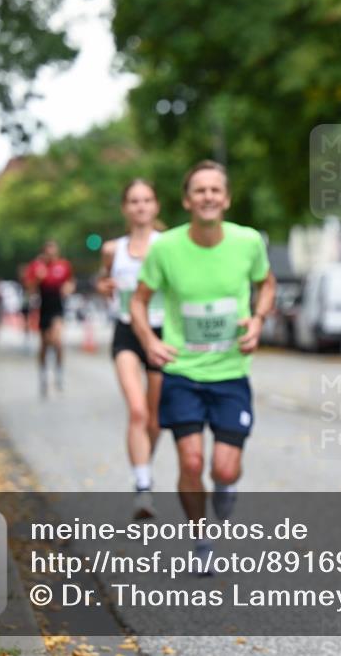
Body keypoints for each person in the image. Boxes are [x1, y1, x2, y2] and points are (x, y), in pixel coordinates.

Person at [131, 160, 275, 567]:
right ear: (186, 200)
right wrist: (148, 341)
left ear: (226, 199)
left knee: (224, 468)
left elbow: (266, 284)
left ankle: (226, 489)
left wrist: (258, 319)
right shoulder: (166, 248)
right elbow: (138, 301)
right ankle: (201, 540)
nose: (208, 196)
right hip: (182, 371)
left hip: (231, 373)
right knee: (191, 461)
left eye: (215, 190)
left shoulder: (248, 243)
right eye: (200, 190)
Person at [96, 179, 166, 519]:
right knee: (137, 411)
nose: (140, 207)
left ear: (156, 206)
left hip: (161, 332)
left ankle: (143, 467)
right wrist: (104, 286)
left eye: (147, 200)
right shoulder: (113, 249)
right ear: (125, 208)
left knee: (155, 418)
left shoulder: (168, 245)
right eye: (134, 201)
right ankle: (142, 488)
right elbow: (103, 281)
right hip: (125, 331)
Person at [24, 241, 74, 397]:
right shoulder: (36, 267)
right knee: (44, 345)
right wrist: (38, 278)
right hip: (43, 306)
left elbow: (70, 282)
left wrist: (69, 288)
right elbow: (30, 289)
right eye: (49, 252)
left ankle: (59, 373)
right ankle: (43, 374)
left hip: (57, 307)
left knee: (58, 342)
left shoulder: (63, 265)